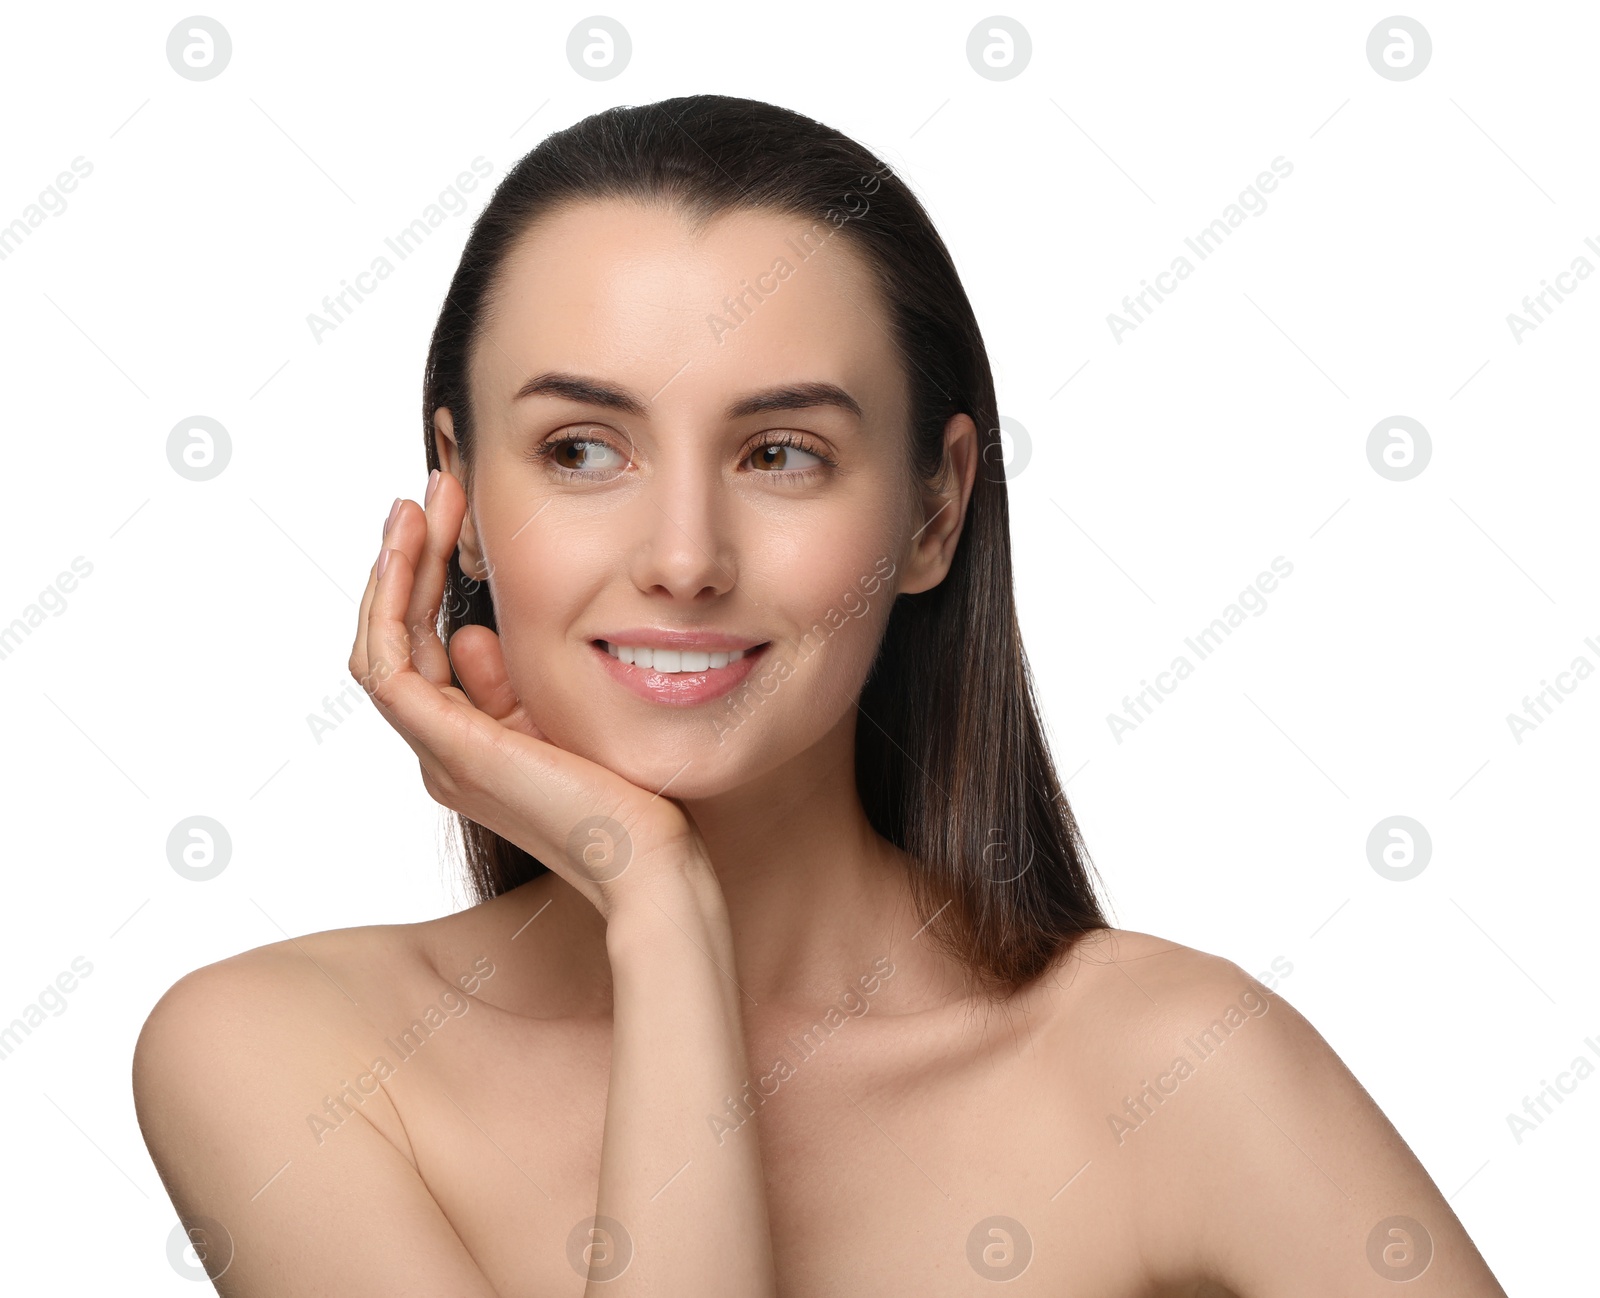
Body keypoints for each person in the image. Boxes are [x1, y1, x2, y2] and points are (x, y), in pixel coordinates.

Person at [133, 94, 1508, 1295]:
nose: (682, 557)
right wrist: (660, 906)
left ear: (932, 509)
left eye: (781, 453)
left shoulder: (1183, 1071)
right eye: (580, 448)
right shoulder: (281, 1057)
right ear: (463, 494)